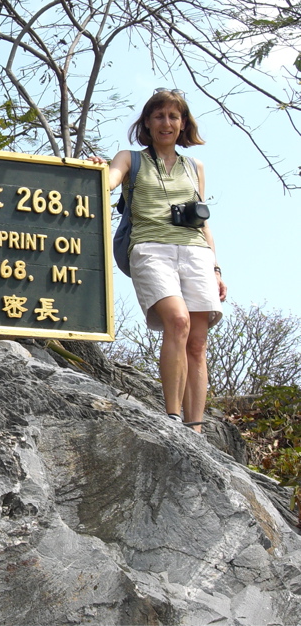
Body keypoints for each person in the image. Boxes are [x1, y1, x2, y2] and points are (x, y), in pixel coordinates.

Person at [91, 89, 227, 432]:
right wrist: (97, 171)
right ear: (147, 123)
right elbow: (108, 181)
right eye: (159, 116)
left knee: (198, 341)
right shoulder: (130, 158)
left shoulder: (195, 167)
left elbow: (204, 222)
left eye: (173, 117)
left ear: (183, 125)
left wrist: (217, 268)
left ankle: (195, 428)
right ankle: (172, 415)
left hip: (196, 252)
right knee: (177, 322)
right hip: (150, 248)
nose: (166, 123)